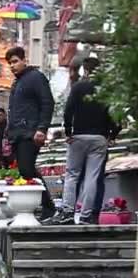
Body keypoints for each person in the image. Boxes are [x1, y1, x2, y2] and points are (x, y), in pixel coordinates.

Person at [45, 58, 121, 225]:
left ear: (84, 71)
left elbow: (68, 111)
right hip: (99, 138)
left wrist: (68, 132)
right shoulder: (105, 91)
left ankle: (67, 212)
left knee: (72, 175)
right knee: (92, 177)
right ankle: (87, 216)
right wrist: (112, 136)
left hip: (78, 137)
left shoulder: (78, 87)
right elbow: (117, 117)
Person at [6, 46, 56, 219]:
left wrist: (42, 128)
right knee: (24, 170)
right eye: (9, 63)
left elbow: (47, 103)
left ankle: (49, 207)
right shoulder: (18, 82)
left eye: (15, 61)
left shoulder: (35, 77)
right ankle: (44, 206)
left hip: (31, 132)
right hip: (18, 134)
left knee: (27, 169)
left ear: (23, 60)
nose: (12, 66)